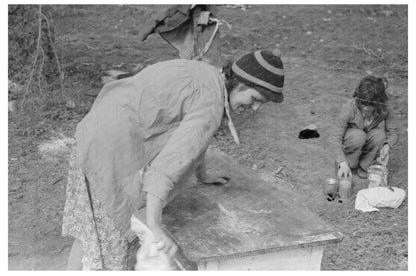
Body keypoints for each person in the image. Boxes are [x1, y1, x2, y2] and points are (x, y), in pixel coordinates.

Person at [62, 49, 285, 270]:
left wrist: (203, 174)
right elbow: (166, 168)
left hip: (93, 131)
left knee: (90, 235)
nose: (254, 108)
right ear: (242, 85)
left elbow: (193, 139)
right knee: (110, 246)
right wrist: (154, 225)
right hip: (109, 154)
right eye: (255, 99)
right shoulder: (210, 104)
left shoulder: (207, 73)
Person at [329, 76, 399, 181]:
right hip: (351, 140)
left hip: (368, 138)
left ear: (379, 102)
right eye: (363, 103)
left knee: (380, 135)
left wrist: (387, 145)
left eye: (370, 105)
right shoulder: (349, 107)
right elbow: (334, 137)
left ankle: (365, 166)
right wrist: (342, 162)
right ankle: (349, 164)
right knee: (358, 136)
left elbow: (393, 132)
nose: (366, 108)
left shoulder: (385, 107)